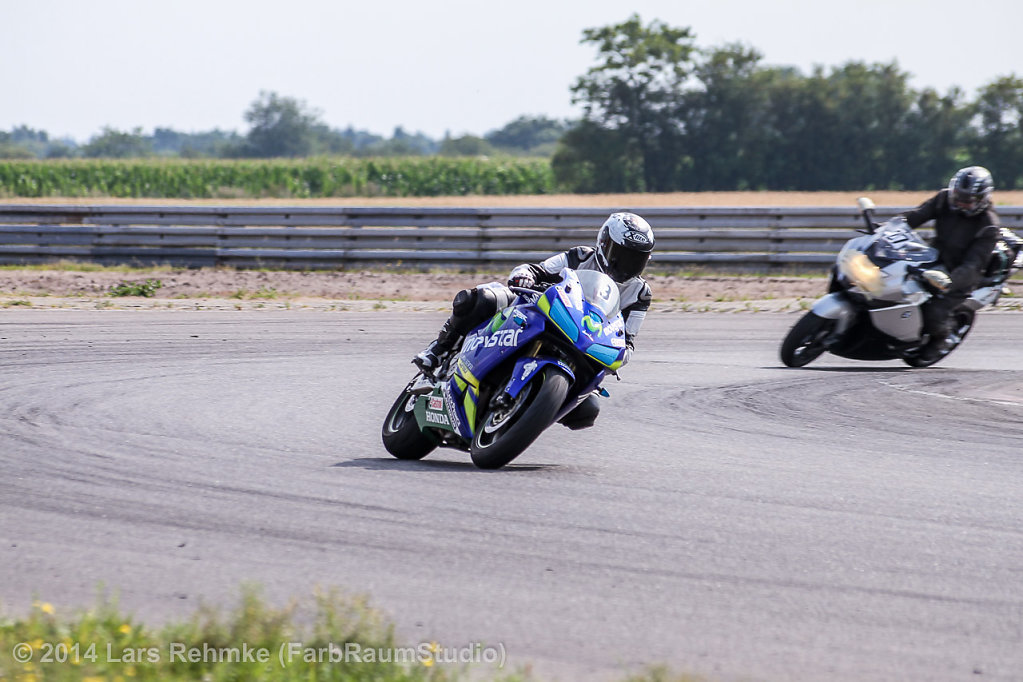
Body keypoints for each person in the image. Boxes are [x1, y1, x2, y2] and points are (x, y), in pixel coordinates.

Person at [412, 212, 655, 427]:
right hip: (545, 313)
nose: (628, 265)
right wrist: (524, 277)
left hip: (584, 343)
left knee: (588, 409)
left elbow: (627, 340)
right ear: (604, 243)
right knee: (482, 298)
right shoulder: (580, 256)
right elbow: (536, 270)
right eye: (623, 255)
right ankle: (438, 351)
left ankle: (525, 412)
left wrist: (620, 355)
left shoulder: (640, 293)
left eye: (637, 259)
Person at [904, 166, 1001, 361]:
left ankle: (941, 338)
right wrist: (887, 228)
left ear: (982, 199)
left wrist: (948, 281)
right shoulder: (943, 199)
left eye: (967, 200)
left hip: (960, 275)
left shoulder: (988, 225)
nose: (960, 202)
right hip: (933, 257)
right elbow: (915, 216)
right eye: (958, 197)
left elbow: (973, 265)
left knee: (934, 313)